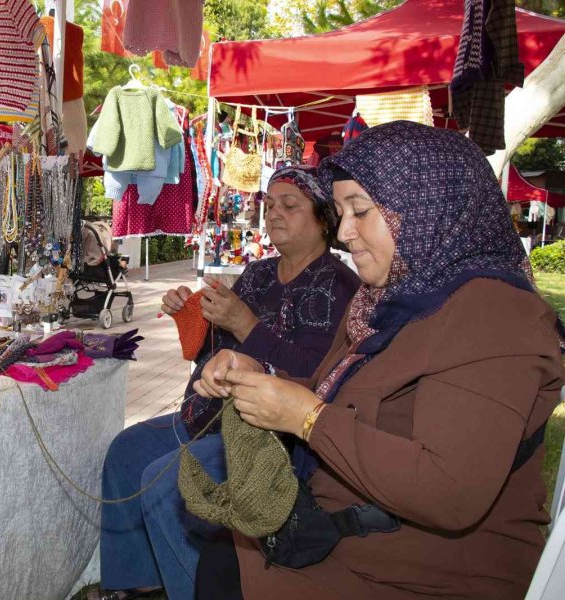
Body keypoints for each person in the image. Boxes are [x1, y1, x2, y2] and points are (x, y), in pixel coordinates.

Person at [193, 121, 564, 600]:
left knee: (224, 562)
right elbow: (340, 392)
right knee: (221, 549)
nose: (345, 232)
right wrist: (261, 376)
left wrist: (307, 421)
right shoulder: (386, 298)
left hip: (428, 574)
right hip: (359, 541)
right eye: (341, 212)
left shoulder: (495, 316)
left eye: (361, 212)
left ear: (427, 209)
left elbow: (450, 493)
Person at [95, 166, 360, 600]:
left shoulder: (339, 287)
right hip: (208, 414)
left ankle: (197, 588)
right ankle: (139, 583)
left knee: (170, 483)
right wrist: (194, 315)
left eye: (289, 205)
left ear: (324, 218)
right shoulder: (258, 273)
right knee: (126, 451)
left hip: (267, 434)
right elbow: (215, 349)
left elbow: (315, 376)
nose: (274, 214)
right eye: (269, 205)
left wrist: (245, 322)